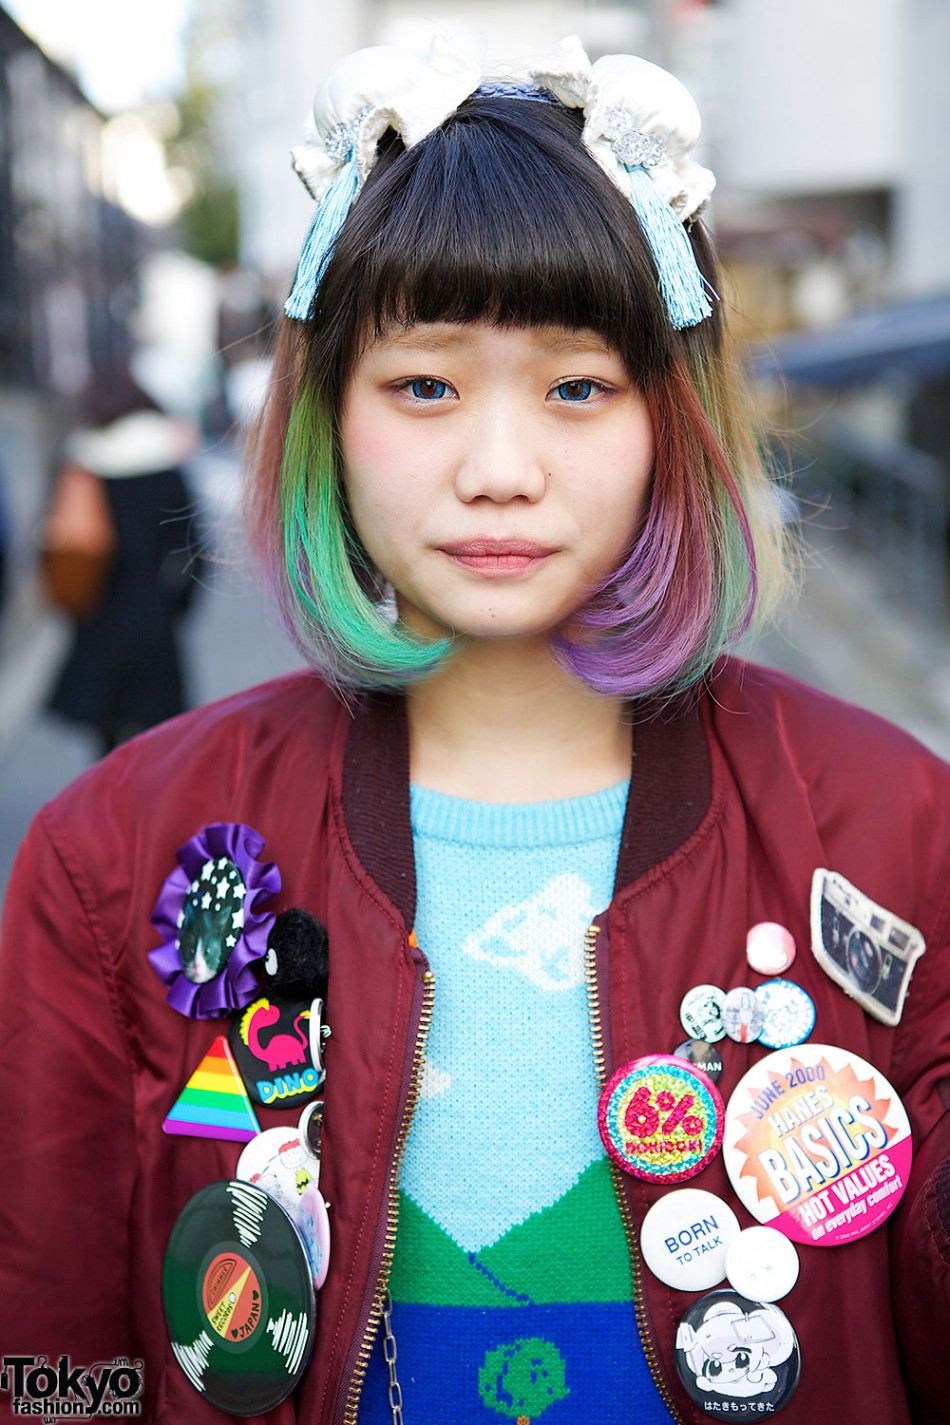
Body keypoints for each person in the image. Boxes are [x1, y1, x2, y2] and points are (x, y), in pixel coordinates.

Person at [0, 32, 948, 1425]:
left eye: (577, 387)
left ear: (669, 422)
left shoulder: (892, 826)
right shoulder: (114, 850)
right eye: (424, 386)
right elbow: (48, 1358)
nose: (498, 471)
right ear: (324, 414)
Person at [45, 369, 203, 755]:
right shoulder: (163, 461)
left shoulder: (82, 462)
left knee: (106, 740)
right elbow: (190, 549)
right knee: (159, 738)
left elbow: (62, 537)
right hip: (154, 617)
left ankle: (109, 810)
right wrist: (178, 606)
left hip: (100, 614)